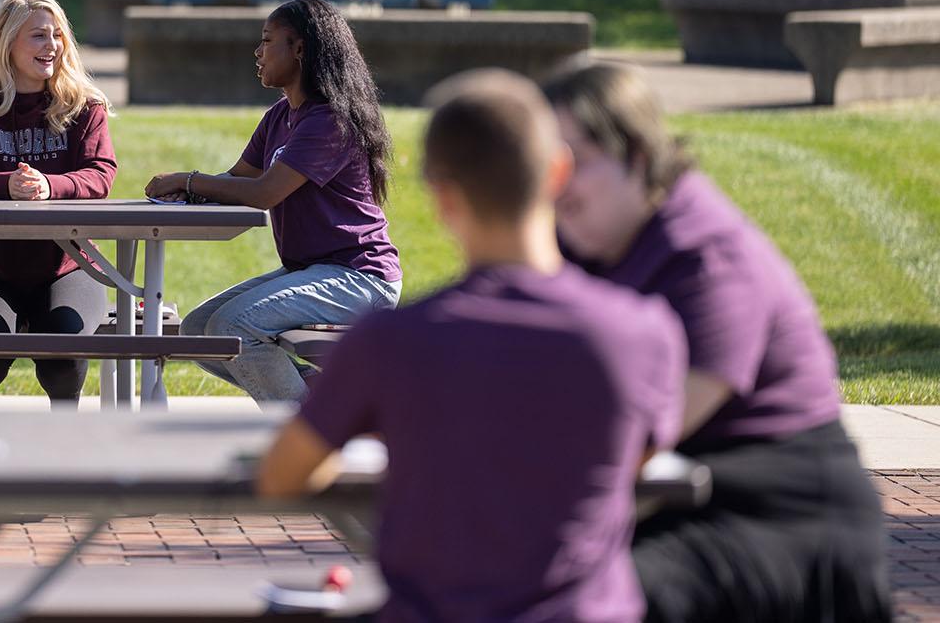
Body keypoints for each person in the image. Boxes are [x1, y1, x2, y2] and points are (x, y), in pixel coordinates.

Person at [259, 70, 688, 623]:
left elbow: (283, 477)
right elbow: (632, 459)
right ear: (558, 173)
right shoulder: (644, 334)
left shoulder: (388, 344)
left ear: (441, 196)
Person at [543, 60, 892, 623]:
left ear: (636, 156)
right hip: (667, 504)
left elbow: (641, 437)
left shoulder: (711, 260)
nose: (557, 189)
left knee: (584, 603)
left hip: (780, 520)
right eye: (547, 167)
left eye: (576, 162)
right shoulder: (586, 243)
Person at [145, 0, 400, 404]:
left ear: (299, 49)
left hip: (358, 277)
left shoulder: (329, 120)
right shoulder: (279, 117)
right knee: (198, 330)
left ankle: (301, 431)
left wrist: (191, 179)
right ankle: (326, 400)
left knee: (232, 326)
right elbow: (236, 179)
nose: (257, 52)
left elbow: (265, 192)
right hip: (312, 270)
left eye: (267, 41)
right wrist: (188, 192)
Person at [0, 0, 115, 403]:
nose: (52, 46)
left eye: (57, 36)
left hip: (67, 267)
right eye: (38, 36)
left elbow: (101, 173)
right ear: (7, 42)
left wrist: (51, 186)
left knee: (62, 359)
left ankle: (63, 456)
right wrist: (8, 185)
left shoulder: (84, 105)